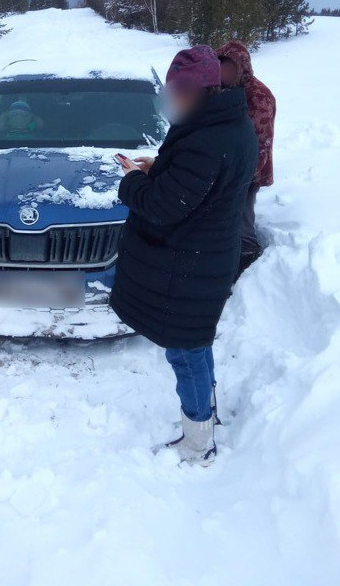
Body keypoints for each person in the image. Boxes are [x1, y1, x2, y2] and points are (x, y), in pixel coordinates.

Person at [110, 46, 257, 466]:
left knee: (185, 352)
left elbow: (161, 206)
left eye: (182, 91)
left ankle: (198, 442)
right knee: (197, 343)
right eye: (170, 90)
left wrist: (133, 182)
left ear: (204, 90)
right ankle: (207, 418)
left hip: (192, 266)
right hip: (206, 256)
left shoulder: (207, 140)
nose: (173, 100)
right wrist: (159, 167)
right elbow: (203, 182)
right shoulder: (226, 123)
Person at [215, 40, 276, 277]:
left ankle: (248, 265)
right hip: (229, 167)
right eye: (221, 66)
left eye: (229, 67)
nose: (224, 72)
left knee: (242, 218)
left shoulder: (259, 96)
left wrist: (244, 176)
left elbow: (261, 142)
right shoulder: (226, 90)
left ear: (242, 68)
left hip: (249, 172)